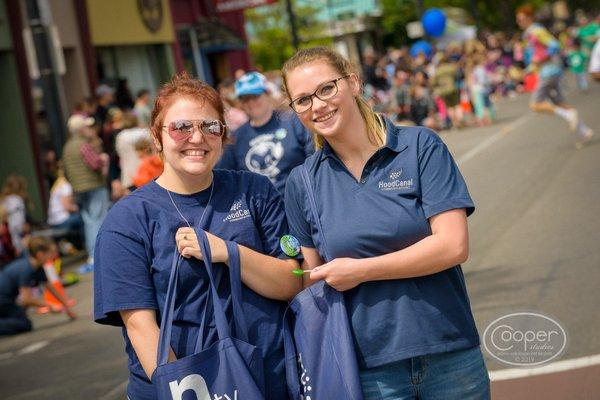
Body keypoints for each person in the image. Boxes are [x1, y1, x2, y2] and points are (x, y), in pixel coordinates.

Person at [282, 46, 490, 400]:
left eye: (326, 89)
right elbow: (311, 279)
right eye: (302, 100)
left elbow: (453, 245)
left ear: (353, 83)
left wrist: (361, 270)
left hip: (449, 352)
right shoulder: (302, 183)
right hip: (369, 372)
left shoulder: (420, 146)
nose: (317, 105)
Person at [93, 72, 301, 400]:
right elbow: (140, 327)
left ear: (223, 133)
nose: (197, 137)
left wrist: (226, 251)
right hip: (186, 388)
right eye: (181, 127)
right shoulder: (126, 221)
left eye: (210, 126)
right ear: (157, 136)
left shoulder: (254, 191)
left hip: (269, 380)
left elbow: (291, 281)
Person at [217, 72, 313, 196]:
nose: (250, 102)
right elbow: (225, 177)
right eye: (245, 98)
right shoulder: (236, 138)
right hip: (262, 208)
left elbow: (313, 159)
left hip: (300, 198)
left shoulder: (292, 121)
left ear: (268, 94)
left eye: (255, 96)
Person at [516, 5, 594, 148]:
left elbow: (554, 45)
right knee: (560, 102)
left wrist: (540, 61)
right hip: (549, 71)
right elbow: (537, 55)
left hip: (548, 72)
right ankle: (584, 131)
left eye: (523, 19)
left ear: (530, 18)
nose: (521, 22)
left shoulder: (536, 31)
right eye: (519, 20)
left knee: (535, 104)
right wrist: (529, 69)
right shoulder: (530, 33)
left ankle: (570, 116)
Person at [62, 114, 110, 272]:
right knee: (98, 219)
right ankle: (99, 253)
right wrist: (103, 159)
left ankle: (92, 254)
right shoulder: (83, 145)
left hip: (79, 189)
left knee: (89, 221)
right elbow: (95, 163)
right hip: (94, 186)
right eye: (85, 126)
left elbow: (66, 172)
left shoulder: (67, 147)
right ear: (81, 129)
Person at [0, 236, 76, 336]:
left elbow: (51, 287)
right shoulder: (27, 269)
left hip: (8, 300)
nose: (55, 255)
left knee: (21, 316)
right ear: (40, 255)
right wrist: (50, 305)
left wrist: (66, 307)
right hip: (4, 301)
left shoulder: (38, 267)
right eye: (51, 253)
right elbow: (26, 299)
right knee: (25, 324)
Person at [1, 174, 31, 256]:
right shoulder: (17, 201)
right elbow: (17, 226)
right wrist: (25, 229)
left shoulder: (4, 200)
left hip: (6, 244)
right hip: (16, 243)